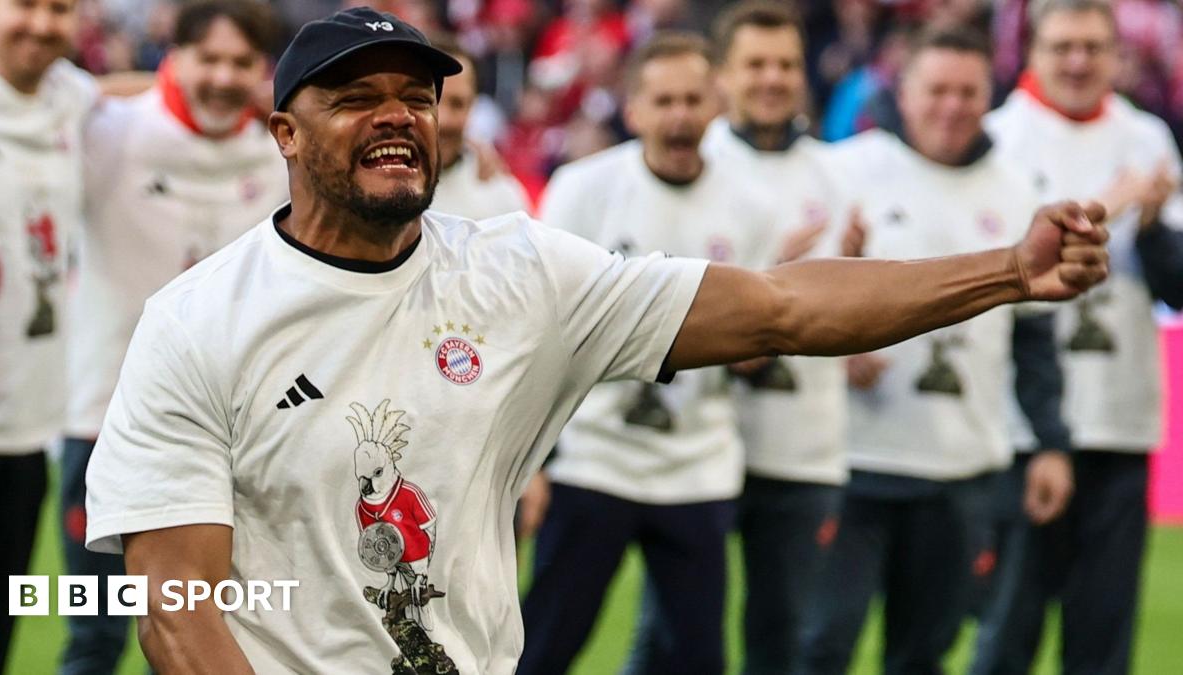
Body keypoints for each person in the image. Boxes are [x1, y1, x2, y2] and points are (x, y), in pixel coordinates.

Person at [83, 8, 1109, 674]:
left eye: (417, 97)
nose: (395, 117)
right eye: (356, 98)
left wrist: (1009, 274)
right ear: (285, 135)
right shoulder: (198, 322)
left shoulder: (521, 275)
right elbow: (181, 609)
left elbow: (784, 307)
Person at [797, 27, 1073, 675]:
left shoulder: (1016, 190)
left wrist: (1051, 441)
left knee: (924, 653)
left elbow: (1034, 334)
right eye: (937, 90)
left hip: (963, 467)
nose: (952, 106)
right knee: (820, 645)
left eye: (968, 91)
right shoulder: (844, 172)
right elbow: (783, 300)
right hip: (848, 460)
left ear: (991, 95)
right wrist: (833, 344)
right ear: (904, 92)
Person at [517, 32, 776, 675]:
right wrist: (537, 459)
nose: (680, 115)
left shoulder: (752, 207)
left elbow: (764, 339)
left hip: (699, 465)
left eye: (693, 99)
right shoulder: (581, 190)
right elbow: (540, 334)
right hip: (594, 459)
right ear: (632, 110)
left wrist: (757, 352)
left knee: (698, 659)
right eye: (663, 101)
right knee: (542, 647)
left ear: (716, 103)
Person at [60, 2, 287, 672]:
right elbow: (41, 104)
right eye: (207, 58)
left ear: (262, 70)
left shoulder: (280, 150)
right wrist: (115, 87)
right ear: (175, 58)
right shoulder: (113, 131)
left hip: (231, 440)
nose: (222, 76)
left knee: (224, 637)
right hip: (101, 420)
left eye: (240, 62)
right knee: (94, 638)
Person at [976, 1, 1183, 673]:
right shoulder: (996, 138)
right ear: (1030, 48)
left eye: (1093, 46)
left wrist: (1151, 229)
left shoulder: (1148, 137)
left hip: (1121, 416)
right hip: (1020, 424)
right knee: (1009, 624)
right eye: (1063, 45)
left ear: (1117, 53)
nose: (1078, 61)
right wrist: (1114, 207)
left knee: (1103, 633)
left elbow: (1176, 287)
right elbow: (990, 273)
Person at [699, 3, 860, 671]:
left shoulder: (838, 175)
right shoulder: (690, 163)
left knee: (785, 633)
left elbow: (857, 304)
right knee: (679, 632)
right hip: (698, 444)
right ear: (722, 76)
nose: (773, 78)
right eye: (756, 64)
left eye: (787, 64)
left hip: (804, 449)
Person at [0, 0, 100, 671]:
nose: (42, 23)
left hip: (28, 426)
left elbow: (130, 99)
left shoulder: (69, 99)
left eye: (59, 8)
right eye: (25, 4)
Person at [427, 37, 529, 220]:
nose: (444, 120)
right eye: (430, 103)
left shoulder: (501, 199)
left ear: (473, 106)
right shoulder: (376, 189)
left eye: (457, 104)